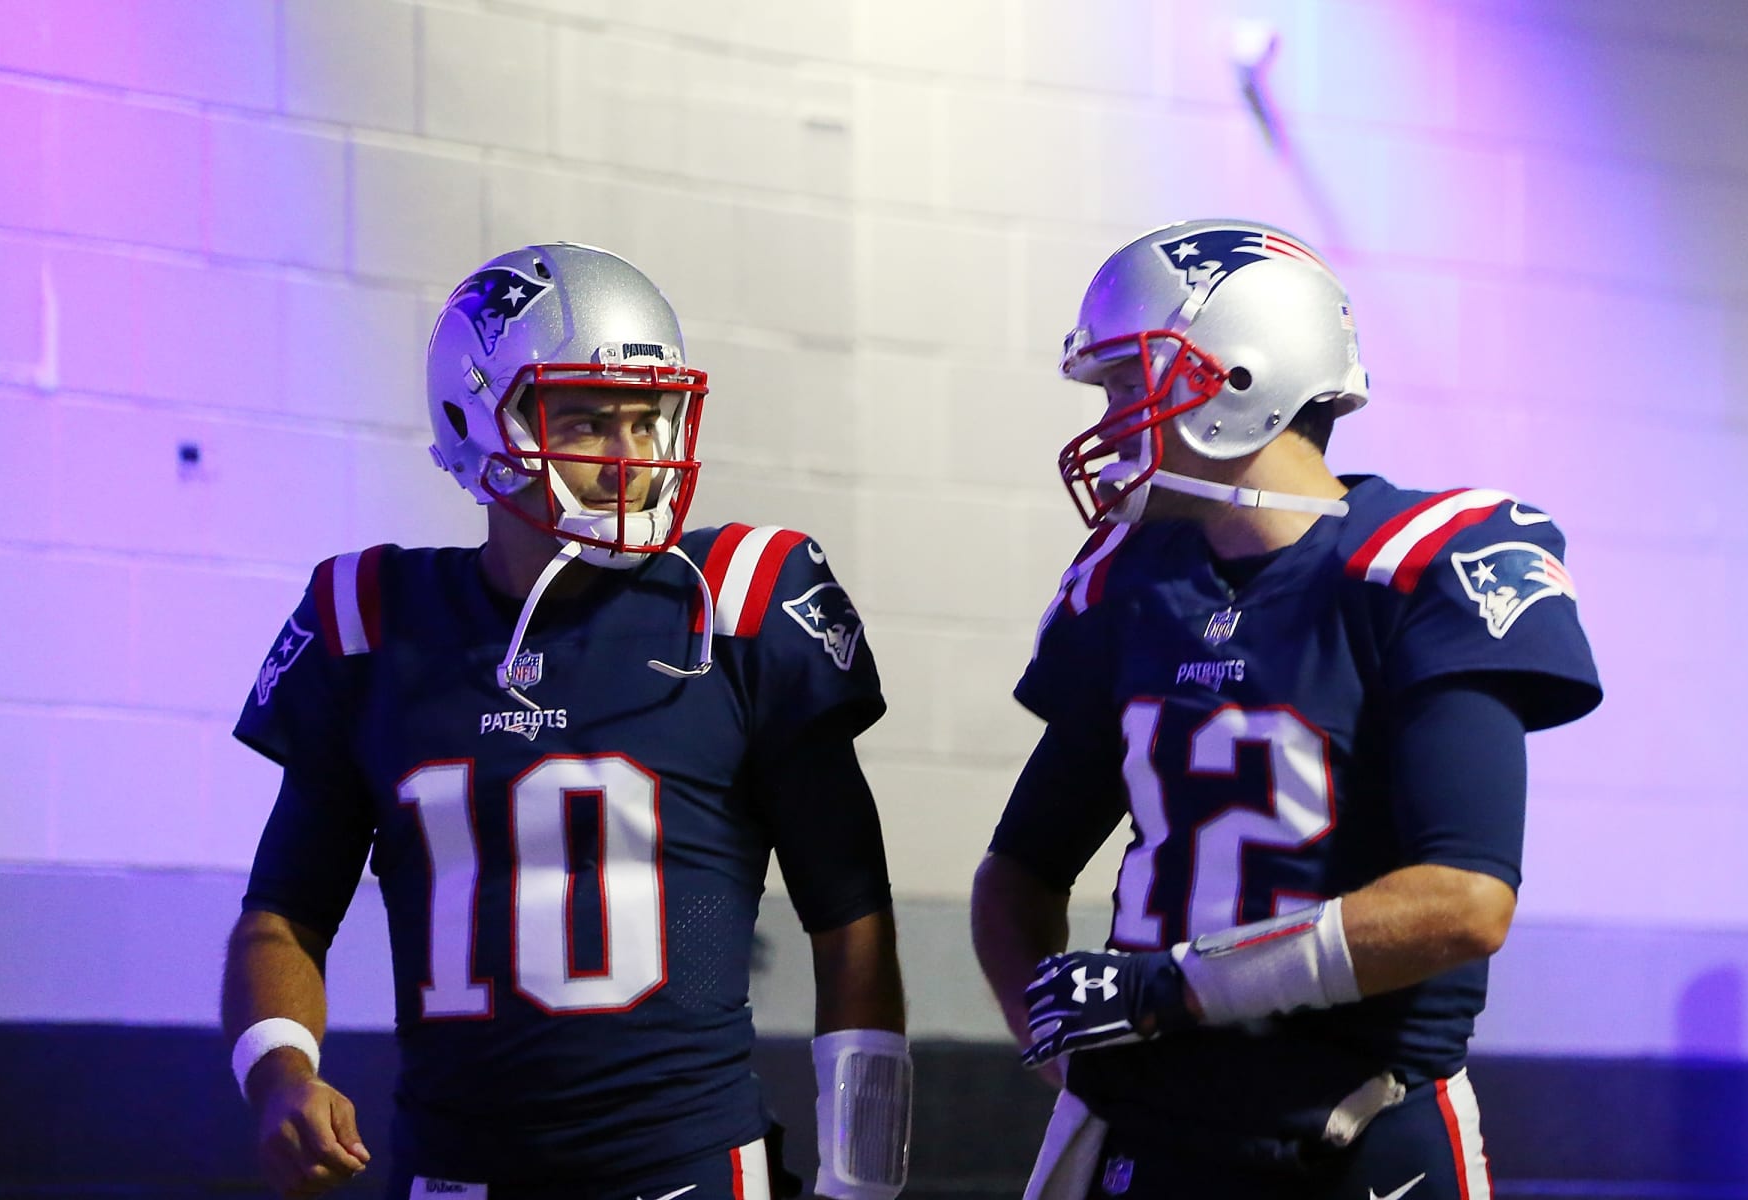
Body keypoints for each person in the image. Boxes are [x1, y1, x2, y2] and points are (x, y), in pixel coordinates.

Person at [221, 243, 911, 1200]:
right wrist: (279, 1075)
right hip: (450, 1175)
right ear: (472, 423)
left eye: (648, 419)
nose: (630, 457)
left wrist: (865, 1178)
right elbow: (284, 915)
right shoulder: (373, 621)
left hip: (688, 1172)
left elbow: (851, 922)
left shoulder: (740, 605)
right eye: (589, 421)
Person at [970, 220, 1601, 1199]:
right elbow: (1018, 873)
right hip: (1153, 1132)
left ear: (1241, 379)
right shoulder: (1129, 584)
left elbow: (1466, 903)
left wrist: (1173, 988)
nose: (1113, 421)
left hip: (1361, 1133)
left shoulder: (1424, 562)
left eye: (1135, 385)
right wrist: (1065, 1050)